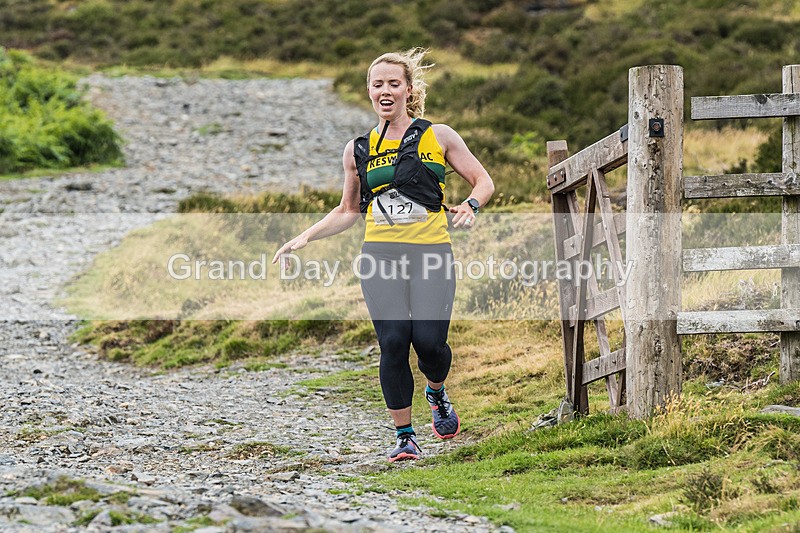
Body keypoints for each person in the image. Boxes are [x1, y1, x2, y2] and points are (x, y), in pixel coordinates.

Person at [272, 48, 494, 462]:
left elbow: (483, 180)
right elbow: (347, 211)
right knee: (393, 343)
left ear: (409, 90)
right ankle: (405, 436)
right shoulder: (357, 148)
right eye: (378, 84)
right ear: (370, 92)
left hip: (431, 254)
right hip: (380, 257)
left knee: (429, 345)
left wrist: (471, 205)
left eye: (394, 83)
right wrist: (304, 237)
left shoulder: (438, 135)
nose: (386, 90)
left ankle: (437, 391)